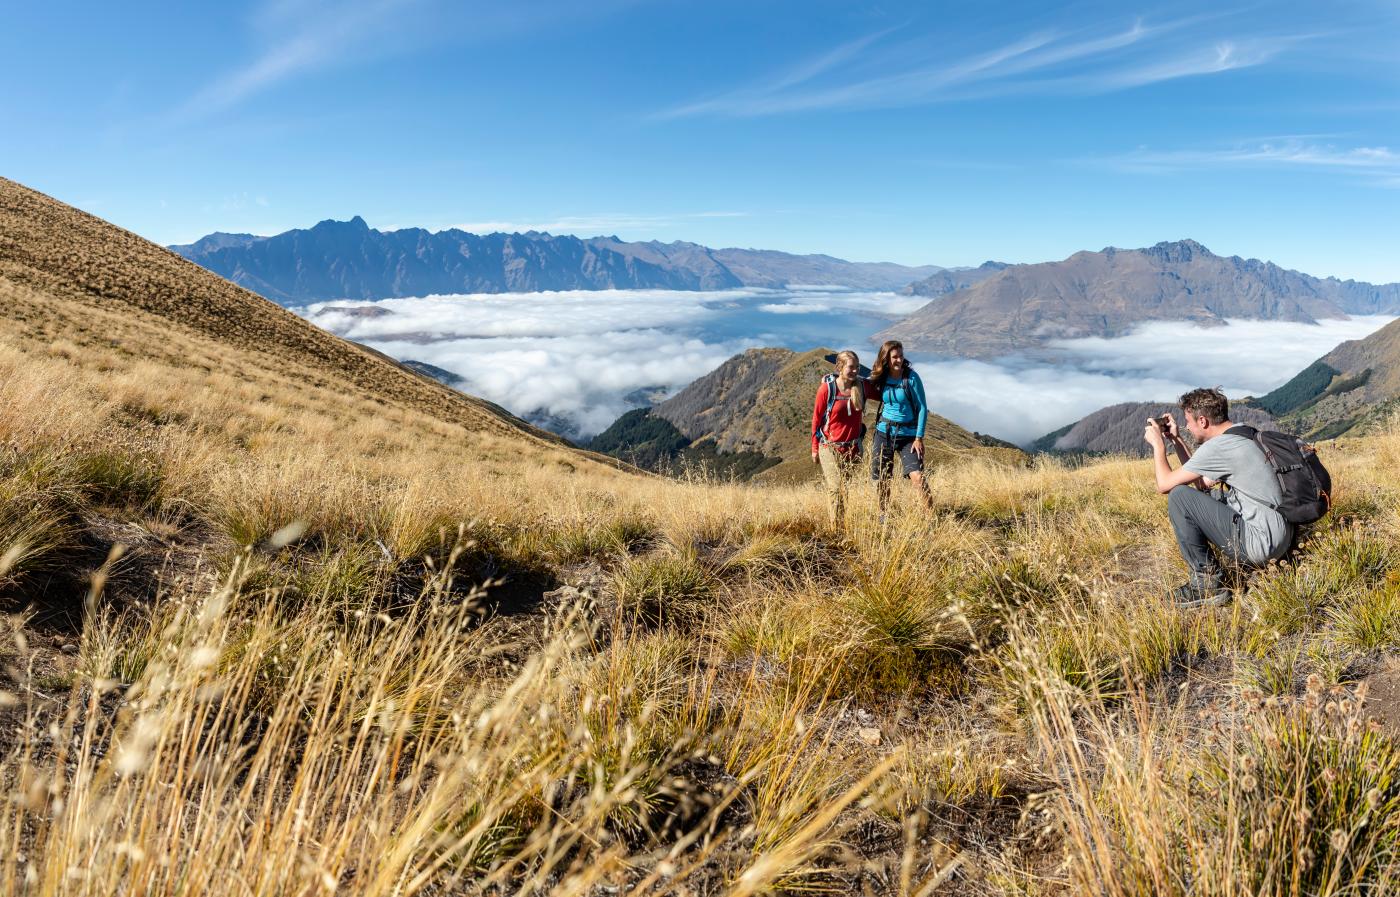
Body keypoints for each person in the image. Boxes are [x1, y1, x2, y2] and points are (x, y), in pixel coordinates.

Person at [1144, 387, 1294, 608]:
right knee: (1209, 494)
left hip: (1261, 545)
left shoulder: (1220, 446)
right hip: (1281, 536)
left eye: (1188, 421)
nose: (1186, 426)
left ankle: (1206, 584)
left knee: (1179, 496)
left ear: (1203, 421)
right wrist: (1175, 440)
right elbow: (1201, 482)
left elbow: (1164, 484)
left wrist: (1158, 445)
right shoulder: (1244, 434)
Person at [868, 340, 933, 519]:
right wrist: (833, 379)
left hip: (909, 436)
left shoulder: (911, 378)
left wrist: (919, 438)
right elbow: (863, 383)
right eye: (894, 356)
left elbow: (921, 408)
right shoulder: (882, 376)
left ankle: (931, 518)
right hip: (884, 433)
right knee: (882, 478)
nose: (898, 360)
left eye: (901, 356)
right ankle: (884, 515)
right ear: (886, 358)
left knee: (918, 477)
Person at [811, 350, 867, 526]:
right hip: (829, 447)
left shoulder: (861, 387)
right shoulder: (827, 389)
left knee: (844, 489)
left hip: (853, 448)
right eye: (851, 367)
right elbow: (816, 419)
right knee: (836, 488)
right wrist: (814, 448)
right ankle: (836, 529)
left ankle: (842, 523)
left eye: (857, 367)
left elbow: (883, 391)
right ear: (840, 367)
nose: (855, 371)